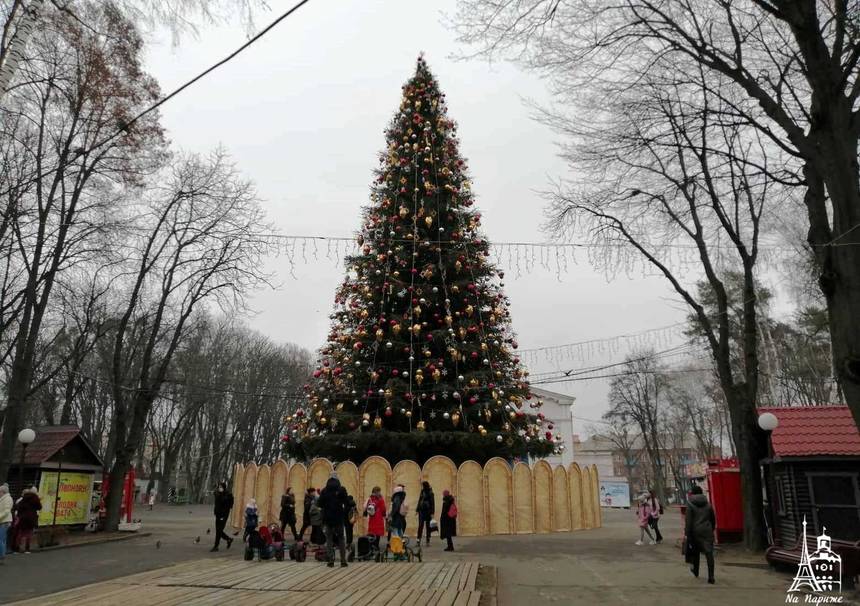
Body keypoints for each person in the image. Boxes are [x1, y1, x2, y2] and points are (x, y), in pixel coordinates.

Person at [685, 485, 716, 584]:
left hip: (695, 531)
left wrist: (687, 533)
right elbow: (713, 518)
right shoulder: (708, 504)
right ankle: (711, 576)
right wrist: (711, 528)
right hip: (707, 530)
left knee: (695, 552)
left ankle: (696, 571)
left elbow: (688, 521)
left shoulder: (690, 504)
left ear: (693, 493)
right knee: (709, 553)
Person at [317, 475, 348, 568]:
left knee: (329, 539)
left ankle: (330, 560)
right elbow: (346, 501)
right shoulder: (341, 490)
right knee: (341, 538)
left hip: (328, 518)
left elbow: (319, 504)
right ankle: (343, 561)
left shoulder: (324, 491)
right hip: (339, 518)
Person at [14, 488, 42, 554]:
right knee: (29, 534)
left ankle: (16, 549)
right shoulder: (35, 498)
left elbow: (18, 507)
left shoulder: (24, 498)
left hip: (23, 518)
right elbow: (39, 507)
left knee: (20, 533)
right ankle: (27, 549)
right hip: (31, 518)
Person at [211, 481, 234, 552]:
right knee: (218, 530)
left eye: (221, 487)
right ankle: (229, 539)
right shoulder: (217, 494)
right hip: (218, 514)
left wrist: (224, 514)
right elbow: (216, 499)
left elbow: (229, 504)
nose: (219, 488)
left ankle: (216, 546)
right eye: (219, 487)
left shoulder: (228, 495)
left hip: (224, 515)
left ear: (224, 487)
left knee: (219, 530)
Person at [364, 486, 386, 550]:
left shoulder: (370, 499)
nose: (380, 492)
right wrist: (384, 515)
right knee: (377, 533)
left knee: (372, 532)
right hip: (378, 518)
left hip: (371, 518)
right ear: (377, 491)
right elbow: (383, 509)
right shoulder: (380, 499)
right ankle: (376, 546)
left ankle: (371, 546)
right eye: (379, 491)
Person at [416, 481, 435, 546]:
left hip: (428, 511)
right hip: (421, 511)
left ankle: (428, 540)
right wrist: (417, 509)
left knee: (428, 527)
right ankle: (418, 540)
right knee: (420, 526)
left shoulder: (430, 492)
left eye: (423, 485)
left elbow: (432, 503)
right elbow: (419, 500)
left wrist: (432, 512)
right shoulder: (422, 491)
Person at [0, 484, 12, 564]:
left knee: (1, 539)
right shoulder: (3, 498)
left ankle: (2, 556)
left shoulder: (7, 499)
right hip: (3, 521)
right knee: (2, 539)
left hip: (5, 521)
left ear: (3, 492)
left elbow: (6, 511)